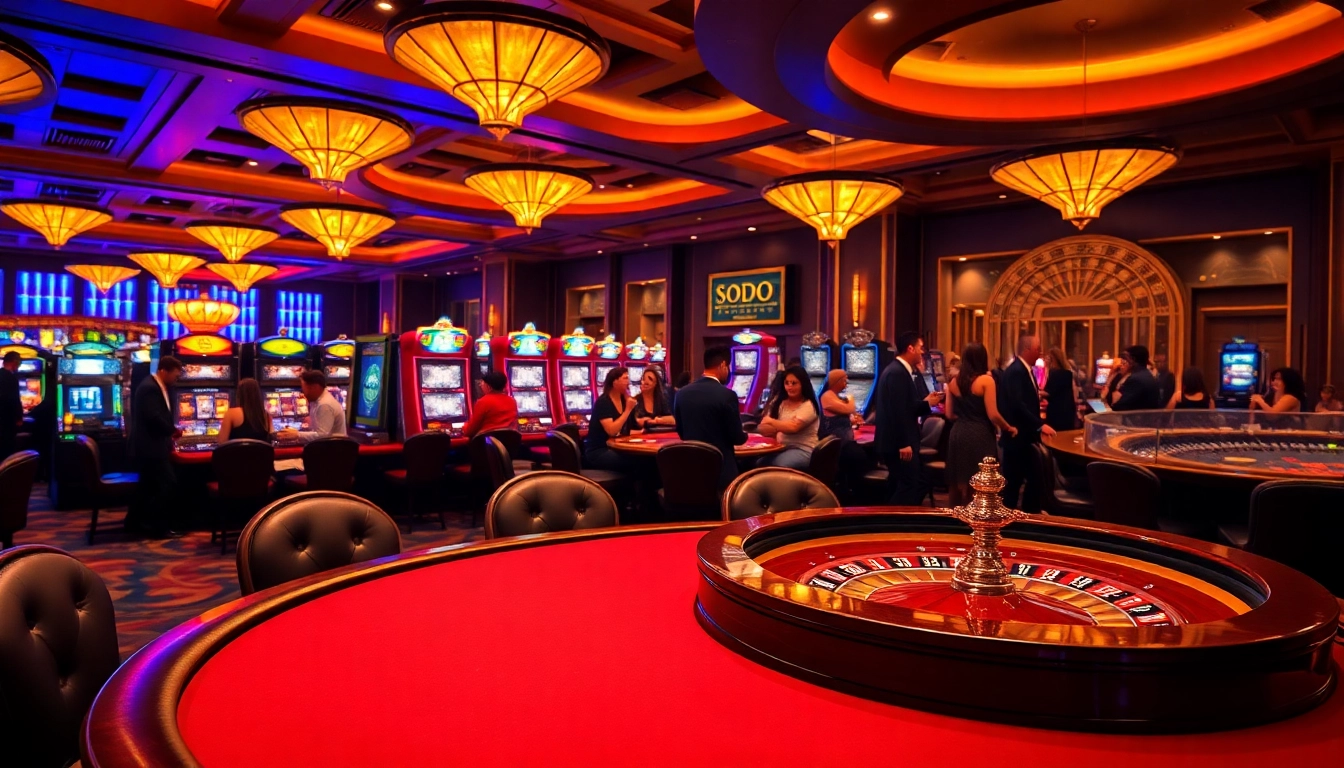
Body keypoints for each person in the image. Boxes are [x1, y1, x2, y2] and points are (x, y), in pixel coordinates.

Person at [873, 331, 944, 505]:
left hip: (898, 441)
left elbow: (906, 407)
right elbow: (897, 412)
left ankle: (891, 522)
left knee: (902, 484)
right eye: (920, 347)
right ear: (910, 348)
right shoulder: (897, 372)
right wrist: (903, 443)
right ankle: (896, 523)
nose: (922, 352)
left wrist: (926, 403)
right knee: (909, 485)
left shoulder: (898, 371)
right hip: (899, 444)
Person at [945, 343, 1017, 507]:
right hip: (979, 434)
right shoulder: (986, 381)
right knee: (980, 483)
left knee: (956, 483)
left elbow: (949, 414)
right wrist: (1008, 427)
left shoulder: (953, 382)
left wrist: (965, 418)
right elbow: (993, 414)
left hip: (958, 433)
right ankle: (975, 522)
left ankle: (952, 522)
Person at [674, 346, 748, 489]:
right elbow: (736, 438)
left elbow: (682, 433)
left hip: (689, 470)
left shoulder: (681, 393)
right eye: (728, 367)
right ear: (722, 365)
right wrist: (746, 435)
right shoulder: (727, 395)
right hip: (721, 472)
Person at [128, 356, 184, 537]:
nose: (177, 378)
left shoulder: (155, 385)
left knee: (147, 486)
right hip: (150, 446)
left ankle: (135, 523)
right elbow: (153, 417)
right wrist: (173, 431)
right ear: (164, 371)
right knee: (167, 484)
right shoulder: (150, 388)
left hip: (152, 445)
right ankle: (158, 528)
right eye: (175, 374)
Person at [997, 335, 1055, 512]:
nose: (1040, 352)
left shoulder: (1024, 370)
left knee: (1032, 480)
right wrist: (1039, 424)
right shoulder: (1016, 371)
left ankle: (1028, 517)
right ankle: (1010, 524)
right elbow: (1017, 404)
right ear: (1027, 350)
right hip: (1017, 438)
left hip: (1024, 437)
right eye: (1038, 348)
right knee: (1013, 484)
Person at [819, 369, 870, 501]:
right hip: (836, 444)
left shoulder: (834, 396)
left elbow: (846, 415)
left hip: (844, 442)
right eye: (844, 379)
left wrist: (852, 419)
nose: (846, 382)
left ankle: (857, 494)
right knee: (861, 458)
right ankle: (856, 498)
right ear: (838, 381)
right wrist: (851, 398)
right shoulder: (826, 396)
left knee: (868, 454)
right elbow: (850, 409)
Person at [757, 365, 819, 470]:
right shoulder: (779, 402)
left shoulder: (809, 405)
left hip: (803, 449)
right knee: (757, 463)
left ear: (803, 384)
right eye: (787, 383)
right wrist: (777, 426)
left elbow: (793, 427)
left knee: (776, 465)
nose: (789, 387)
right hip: (780, 447)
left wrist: (772, 422)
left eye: (794, 383)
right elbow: (763, 428)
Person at [584, 366, 639, 473]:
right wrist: (628, 410)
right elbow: (612, 431)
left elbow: (628, 429)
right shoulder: (604, 401)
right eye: (625, 378)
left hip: (615, 448)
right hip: (598, 451)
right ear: (615, 382)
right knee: (636, 462)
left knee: (646, 460)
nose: (628, 382)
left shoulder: (624, 400)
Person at [278, 370, 346, 443]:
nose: (303, 392)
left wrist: (297, 434)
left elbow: (322, 437)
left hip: (334, 450)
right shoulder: (317, 400)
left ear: (315, 387)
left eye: (304, 388)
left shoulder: (325, 404)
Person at [464, 371, 519, 437]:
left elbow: (470, 431)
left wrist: (464, 427)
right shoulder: (512, 401)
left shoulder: (483, 402)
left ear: (488, 386)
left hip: (487, 443)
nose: (480, 385)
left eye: (482, 383)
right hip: (510, 443)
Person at [217, 378, 272, 443]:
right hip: (261, 453)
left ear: (239, 394)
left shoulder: (231, 413)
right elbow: (272, 440)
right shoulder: (266, 416)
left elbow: (221, 442)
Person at [1110, 345, 1161, 412]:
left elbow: (1119, 406)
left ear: (1133, 359)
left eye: (1126, 359)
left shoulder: (1136, 379)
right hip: (1145, 419)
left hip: (1136, 420)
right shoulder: (1146, 374)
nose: (1124, 362)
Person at [1041, 346, 1077, 432]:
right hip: (1068, 410)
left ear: (1054, 359)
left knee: (1055, 436)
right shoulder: (1068, 373)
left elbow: (1049, 392)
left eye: (1048, 358)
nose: (1046, 360)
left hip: (1057, 411)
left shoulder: (1056, 373)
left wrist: (1035, 391)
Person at [0, 350, 22, 460]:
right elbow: (14, 400)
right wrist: (19, 417)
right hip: (7, 421)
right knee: (7, 450)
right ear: (14, 362)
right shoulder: (11, 378)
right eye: (19, 362)